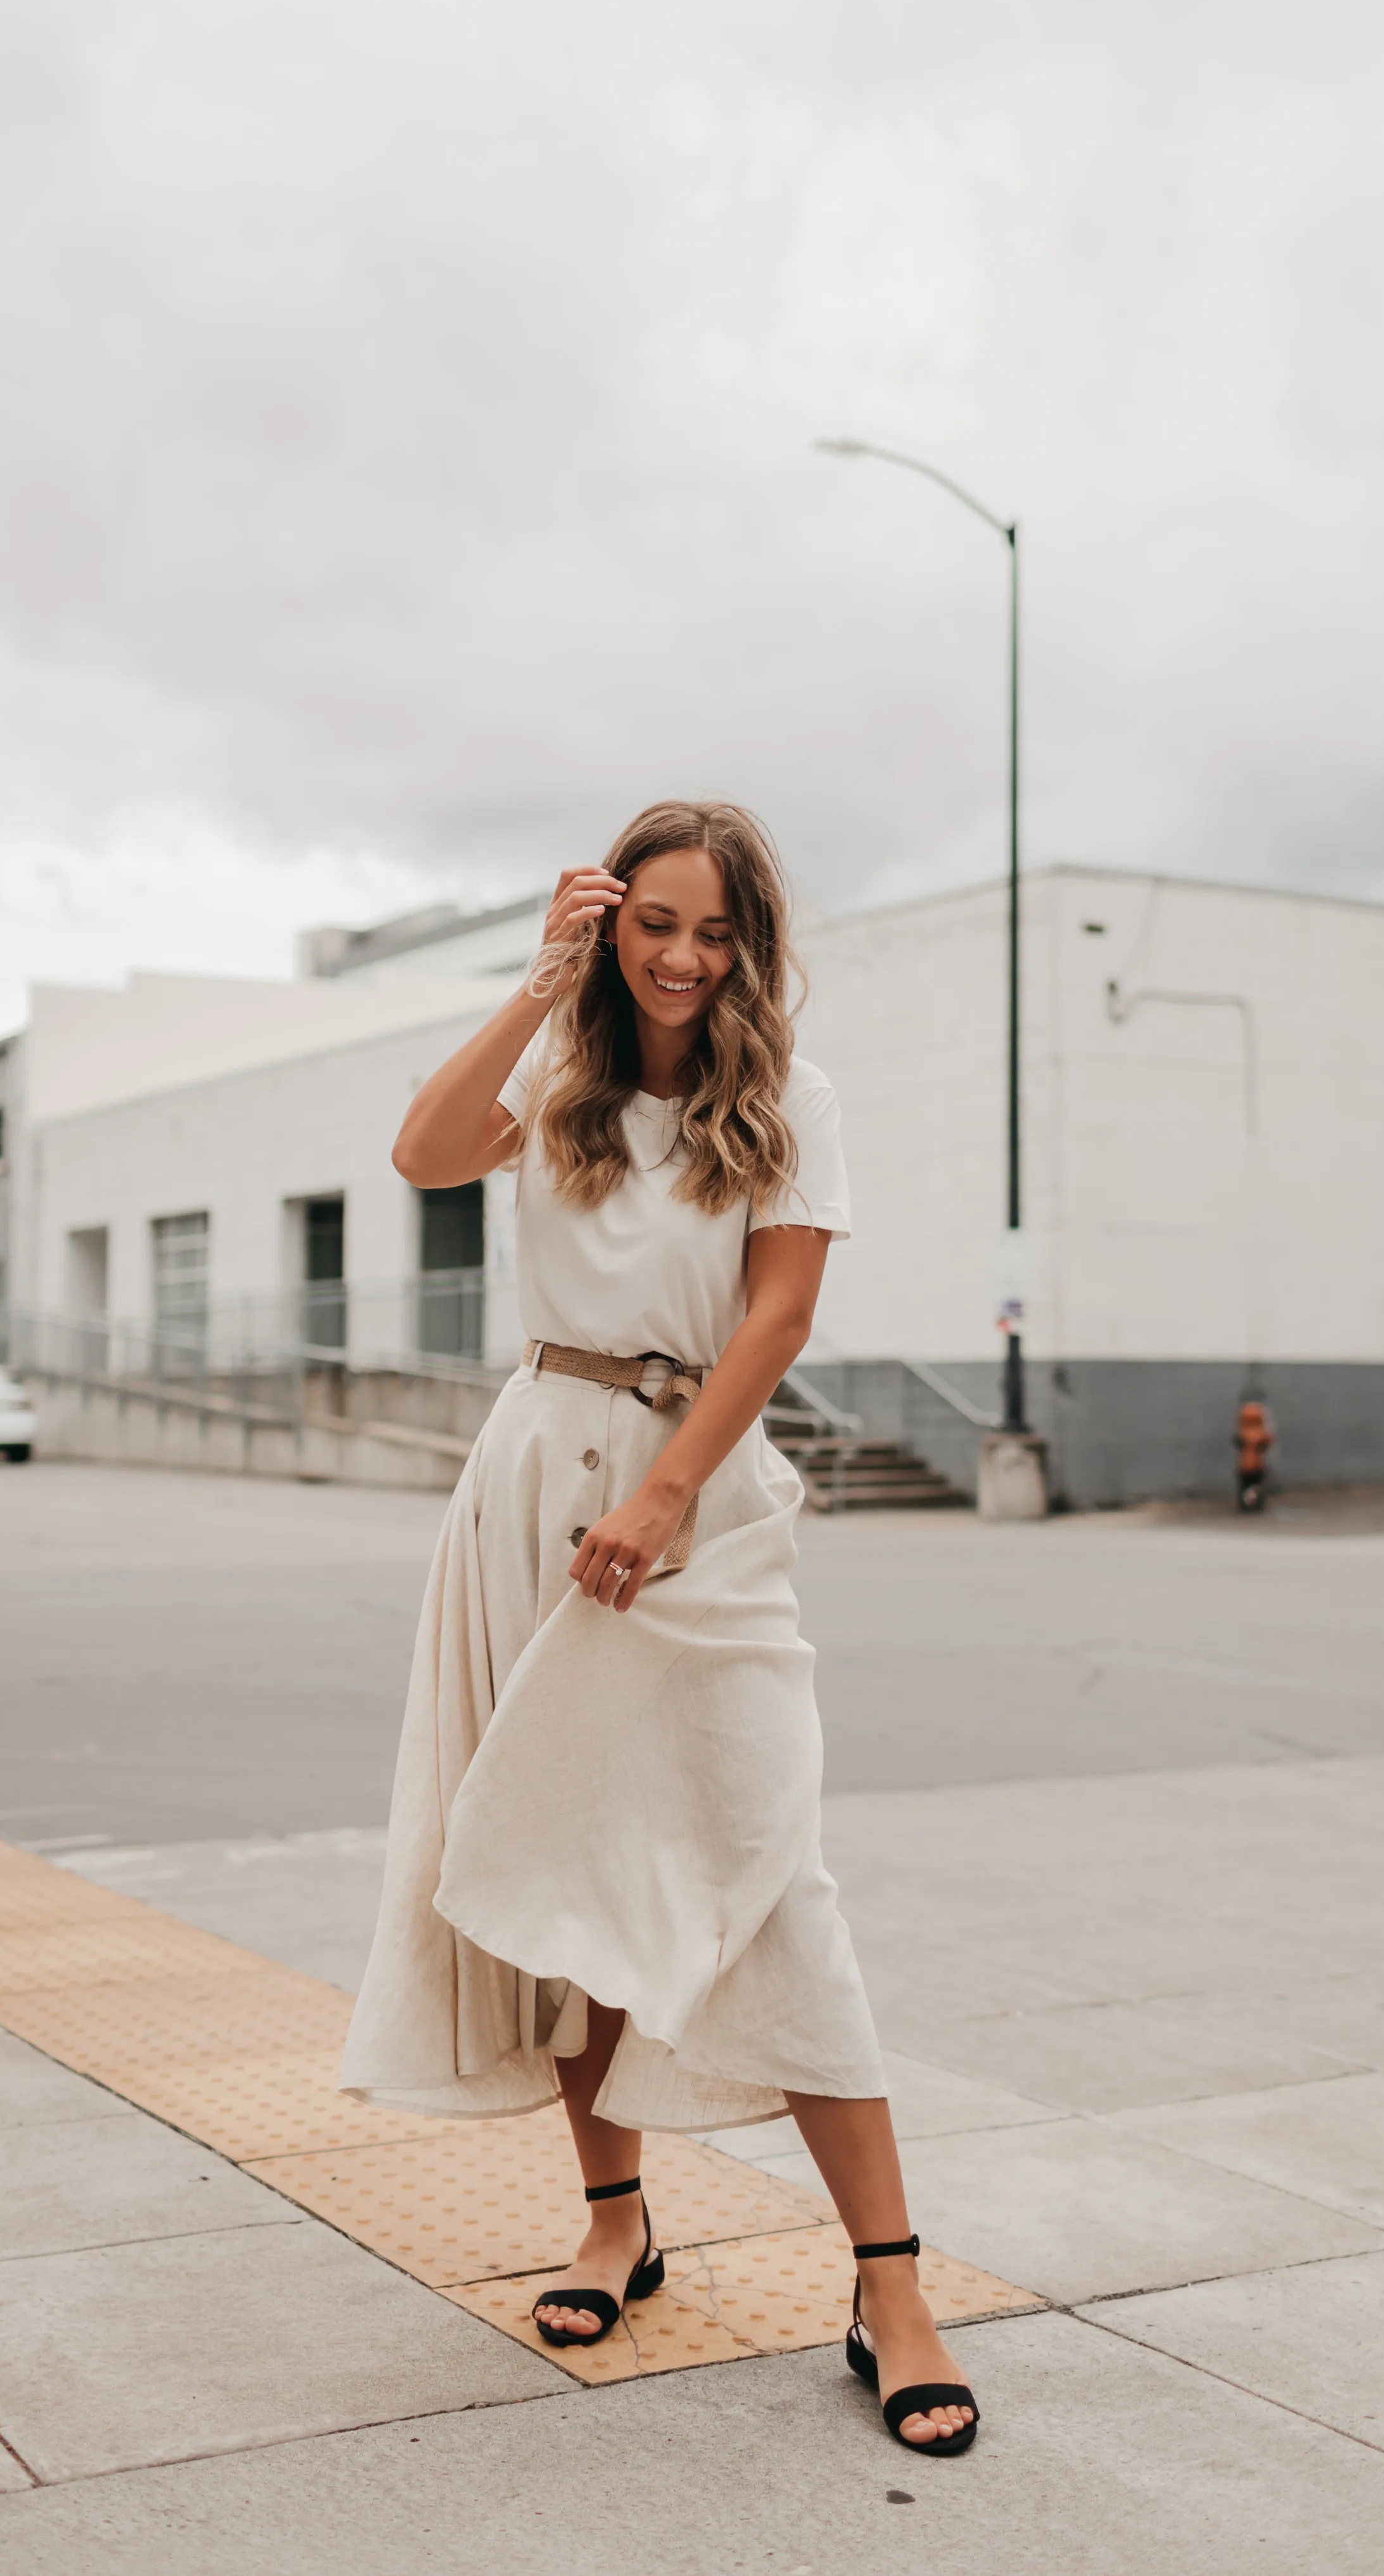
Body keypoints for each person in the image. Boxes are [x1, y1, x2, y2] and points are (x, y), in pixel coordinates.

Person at [342, 798, 978, 2455]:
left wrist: (672, 1490)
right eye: (654, 925)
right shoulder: (560, 1081)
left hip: (689, 1492)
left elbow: (779, 1311)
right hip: (531, 1478)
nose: (686, 958)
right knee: (559, 1874)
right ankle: (618, 2220)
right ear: (612, 925)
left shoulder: (786, 1099)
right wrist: (540, 979)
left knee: (776, 1877)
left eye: (716, 930)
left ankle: (889, 2280)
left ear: (750, 944)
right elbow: (419, 1150)